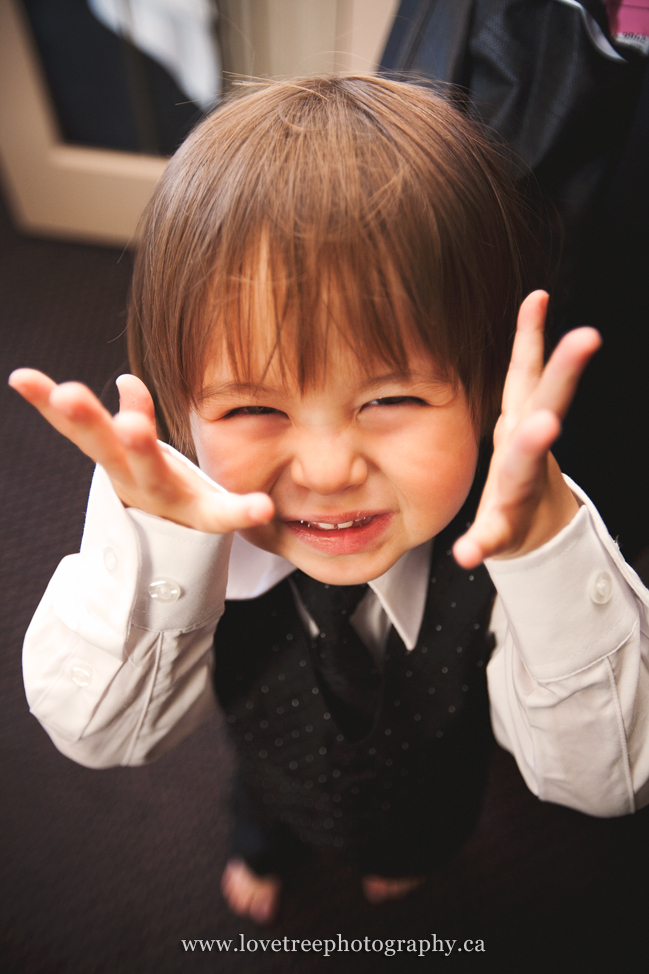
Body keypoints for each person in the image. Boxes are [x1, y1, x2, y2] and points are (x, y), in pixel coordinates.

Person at [10, 75, 649, 926]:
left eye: (390, 400)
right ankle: (264, 846)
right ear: (179, 409)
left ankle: (398, 861)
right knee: (262, 808)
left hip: (433, 797)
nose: (326, 467)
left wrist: (542, 549)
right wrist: (158, 545)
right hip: (272, 771)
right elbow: (101, 735)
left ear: (490, 390)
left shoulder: (515, 541)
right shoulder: (187, 541)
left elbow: (612, 779)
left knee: (417, 842)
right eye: (253, 408)